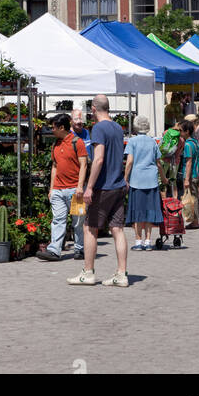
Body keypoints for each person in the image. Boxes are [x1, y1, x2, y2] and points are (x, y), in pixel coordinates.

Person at [68, 95, 128, 288]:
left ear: (93, 109)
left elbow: (99, 159)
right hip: (118, 185)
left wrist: (90, 186)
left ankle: (88, 272)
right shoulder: (118, 128)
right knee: (117, 229)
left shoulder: (99, 128)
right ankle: (121, 273)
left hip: (104, 186)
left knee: (89, 227)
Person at [37, 113, 88, 262]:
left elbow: (84, 165)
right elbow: (54, 166)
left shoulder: (77, 142)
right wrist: (52, 188)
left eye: (53, 127)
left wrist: (80, 187)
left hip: (75, 190)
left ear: (61, 127)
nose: (51, 130)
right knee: (58, 219)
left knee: (78, 221)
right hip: (58, 190)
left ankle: (79, 249)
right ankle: (54, 250)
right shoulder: (56, 144)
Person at [124, 116, 163, 250]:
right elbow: (159, 163)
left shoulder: (132, 141)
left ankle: (138, 241)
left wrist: (125, 178)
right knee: (149, 211)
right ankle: (148, 241)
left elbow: (129, 161)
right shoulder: (153, 142)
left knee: (137, 212)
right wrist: (163, 178)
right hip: (151, 179)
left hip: (137, 180)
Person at [180, 120, 199, 227]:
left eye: (181, 130)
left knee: (192, 198)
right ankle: (195, 220)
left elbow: (189, 163)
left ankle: (195, 221)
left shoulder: (188, 145)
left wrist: (186, 179)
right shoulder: (194, 142)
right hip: (196, 173)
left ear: (187, 131)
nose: (180, 132)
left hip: (191, 175)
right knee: (195, 197)